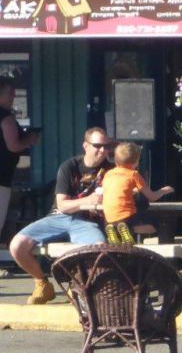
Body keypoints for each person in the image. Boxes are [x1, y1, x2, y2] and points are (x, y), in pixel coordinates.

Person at [9, 127, 114, 304]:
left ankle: (82, 288)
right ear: (85, 145)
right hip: (58, 218)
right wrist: (87, 201)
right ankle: (42, 283)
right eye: (97, 146)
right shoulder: (69, 166)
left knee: (99, 248)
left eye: (106, 146)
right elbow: (63, 205)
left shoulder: (112, 171)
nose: (103, 150)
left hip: (88, 221)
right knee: (16, 246)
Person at [102, 142, 174, 245]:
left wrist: (133, 191)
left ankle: (115, 230)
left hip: (108, 218)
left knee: (119, 225)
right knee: (161, 224)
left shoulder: (108, 174)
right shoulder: (133, 174)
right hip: (127, 217)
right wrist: (164, 190)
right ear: (136, 162)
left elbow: (117, 191)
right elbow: (152, 197)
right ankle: (130, 228)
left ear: (116, 160)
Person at [0, 77, 40, 239]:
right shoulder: (6, 118)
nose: (13, 97)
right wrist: (29, 140)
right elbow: (13, 146)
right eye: (10, 93)